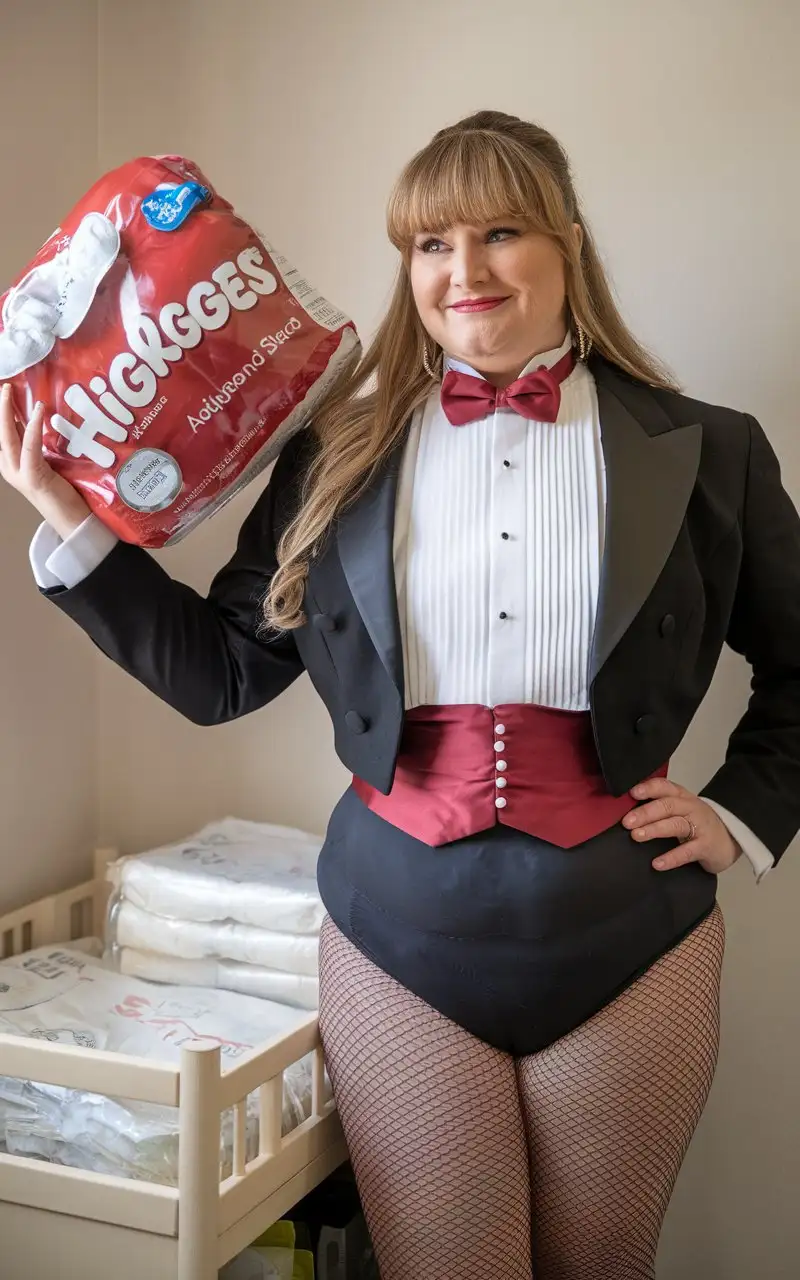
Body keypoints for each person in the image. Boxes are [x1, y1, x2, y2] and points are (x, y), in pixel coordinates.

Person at [2, 110, 799, 1280]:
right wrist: (69, 524)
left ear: (566, 244)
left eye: (498, 233)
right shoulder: (331, 453)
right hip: (394, 939)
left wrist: (738, 813)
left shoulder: (709, 448)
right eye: (428, 244)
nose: (461, 271)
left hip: (630, 932)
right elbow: (224, 670)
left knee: (604, 1261)